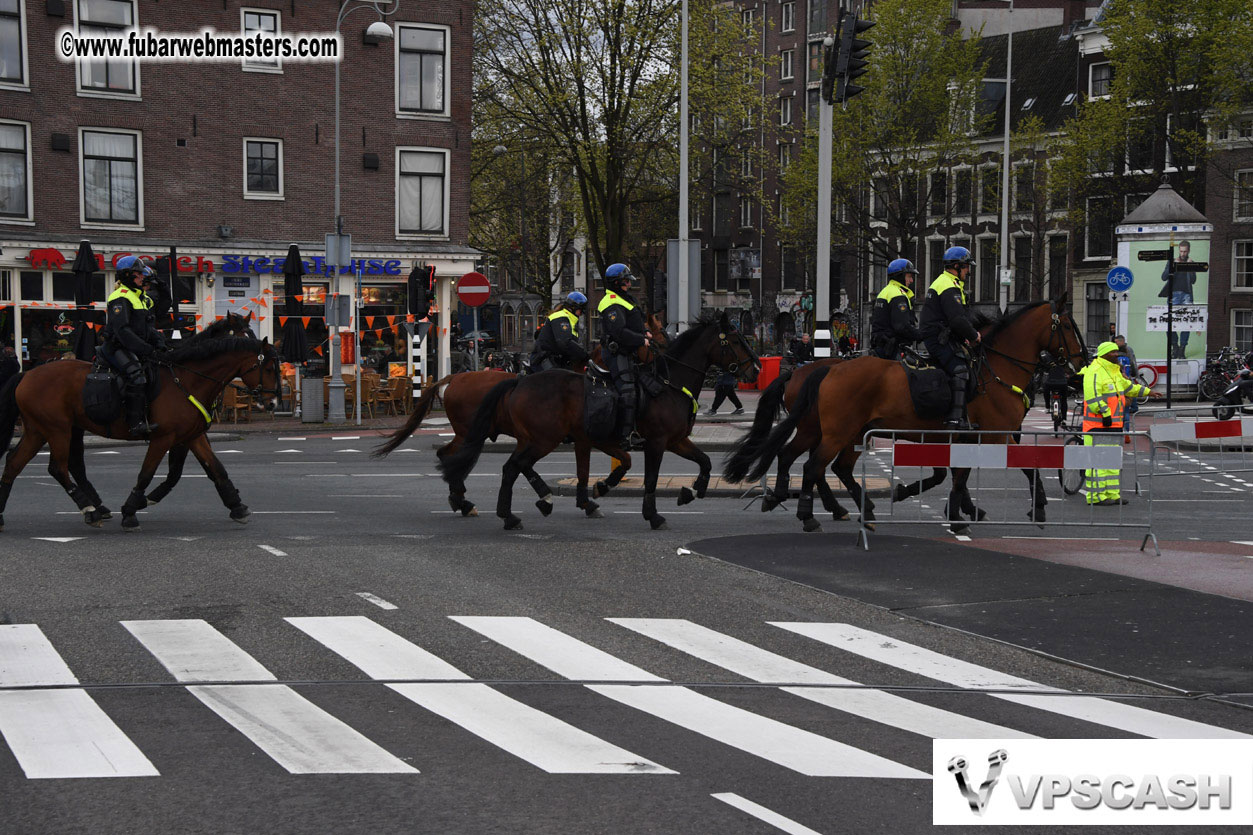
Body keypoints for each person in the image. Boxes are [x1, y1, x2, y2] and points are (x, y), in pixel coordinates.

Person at [1080, 341, 1160, 506]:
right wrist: (1105, 413)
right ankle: (1096, 497)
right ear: (1103, 354)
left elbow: (1129, 387)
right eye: (1113, 352)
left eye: (1117, 352)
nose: (1116, 355)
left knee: (1112, 462)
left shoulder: (1114, 372)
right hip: (1097, 426)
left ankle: (1112, 494)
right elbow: (1093, 396)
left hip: (1114, 425)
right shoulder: (1094, 371)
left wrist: (1149, 392)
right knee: (1098, 462)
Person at [101, 254, 167, 437]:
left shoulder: (140, 297)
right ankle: (135, 423)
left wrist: (160, 343)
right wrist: (147, 349)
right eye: (139, 274)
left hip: (135, 346)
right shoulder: (120, 297)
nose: (143, 277)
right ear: (128, 275)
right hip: (117, 347)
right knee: (137, 376)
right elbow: (122, 331)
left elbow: (147, 327)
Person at [919, 245, 981, 429]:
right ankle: (954, 419)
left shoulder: (952, 284)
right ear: (957, 266)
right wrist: (974, 335)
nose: (968, 271)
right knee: (960, 369)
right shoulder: (947, 285)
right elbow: (957, 320)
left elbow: (963, 316)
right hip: (937, 337)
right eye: (966, 266)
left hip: (944, 335)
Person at [598, 264, 651, 446]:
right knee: (627, 389)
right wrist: (640, 339)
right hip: (616, 352)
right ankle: (625, 436)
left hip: (628, 350)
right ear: (617, 282)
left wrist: (645, 332)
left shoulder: (624, 298)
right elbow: (619, 332)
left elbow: (634, 320)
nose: (629, 284)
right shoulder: (611, 302)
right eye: (626, 280)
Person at [869, 258, 922, 360]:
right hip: (892, 349)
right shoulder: (897, 294)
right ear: (900, 276)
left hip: (881, 346)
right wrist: (919, 335)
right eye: (909, 276)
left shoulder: (885, 291)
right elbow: (902, 326)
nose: (911, 280)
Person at [531, 291, 590, 372]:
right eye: (580, 310)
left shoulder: (570, 320)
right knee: (558, 381)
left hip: (557, 360)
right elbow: (564, 342)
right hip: (543, 359)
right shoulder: (561, 318)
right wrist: (584, 355)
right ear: (572, 308)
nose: (581, 314)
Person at [1160, 240, 1197, 358]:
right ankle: (1174, 346)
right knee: (1169, 323)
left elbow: (1193, 280)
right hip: (1174, 295)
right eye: (1181, 251)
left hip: (1187, 295)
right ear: (1179, 250)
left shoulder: (1191, 262)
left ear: (1189, 251)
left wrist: (1190, 267)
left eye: (1185, 252)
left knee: (1187, 323)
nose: (1183, 254)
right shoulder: (1172, 262)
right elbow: (1164, 277)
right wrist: (1173, 266)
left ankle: (1182, 349)